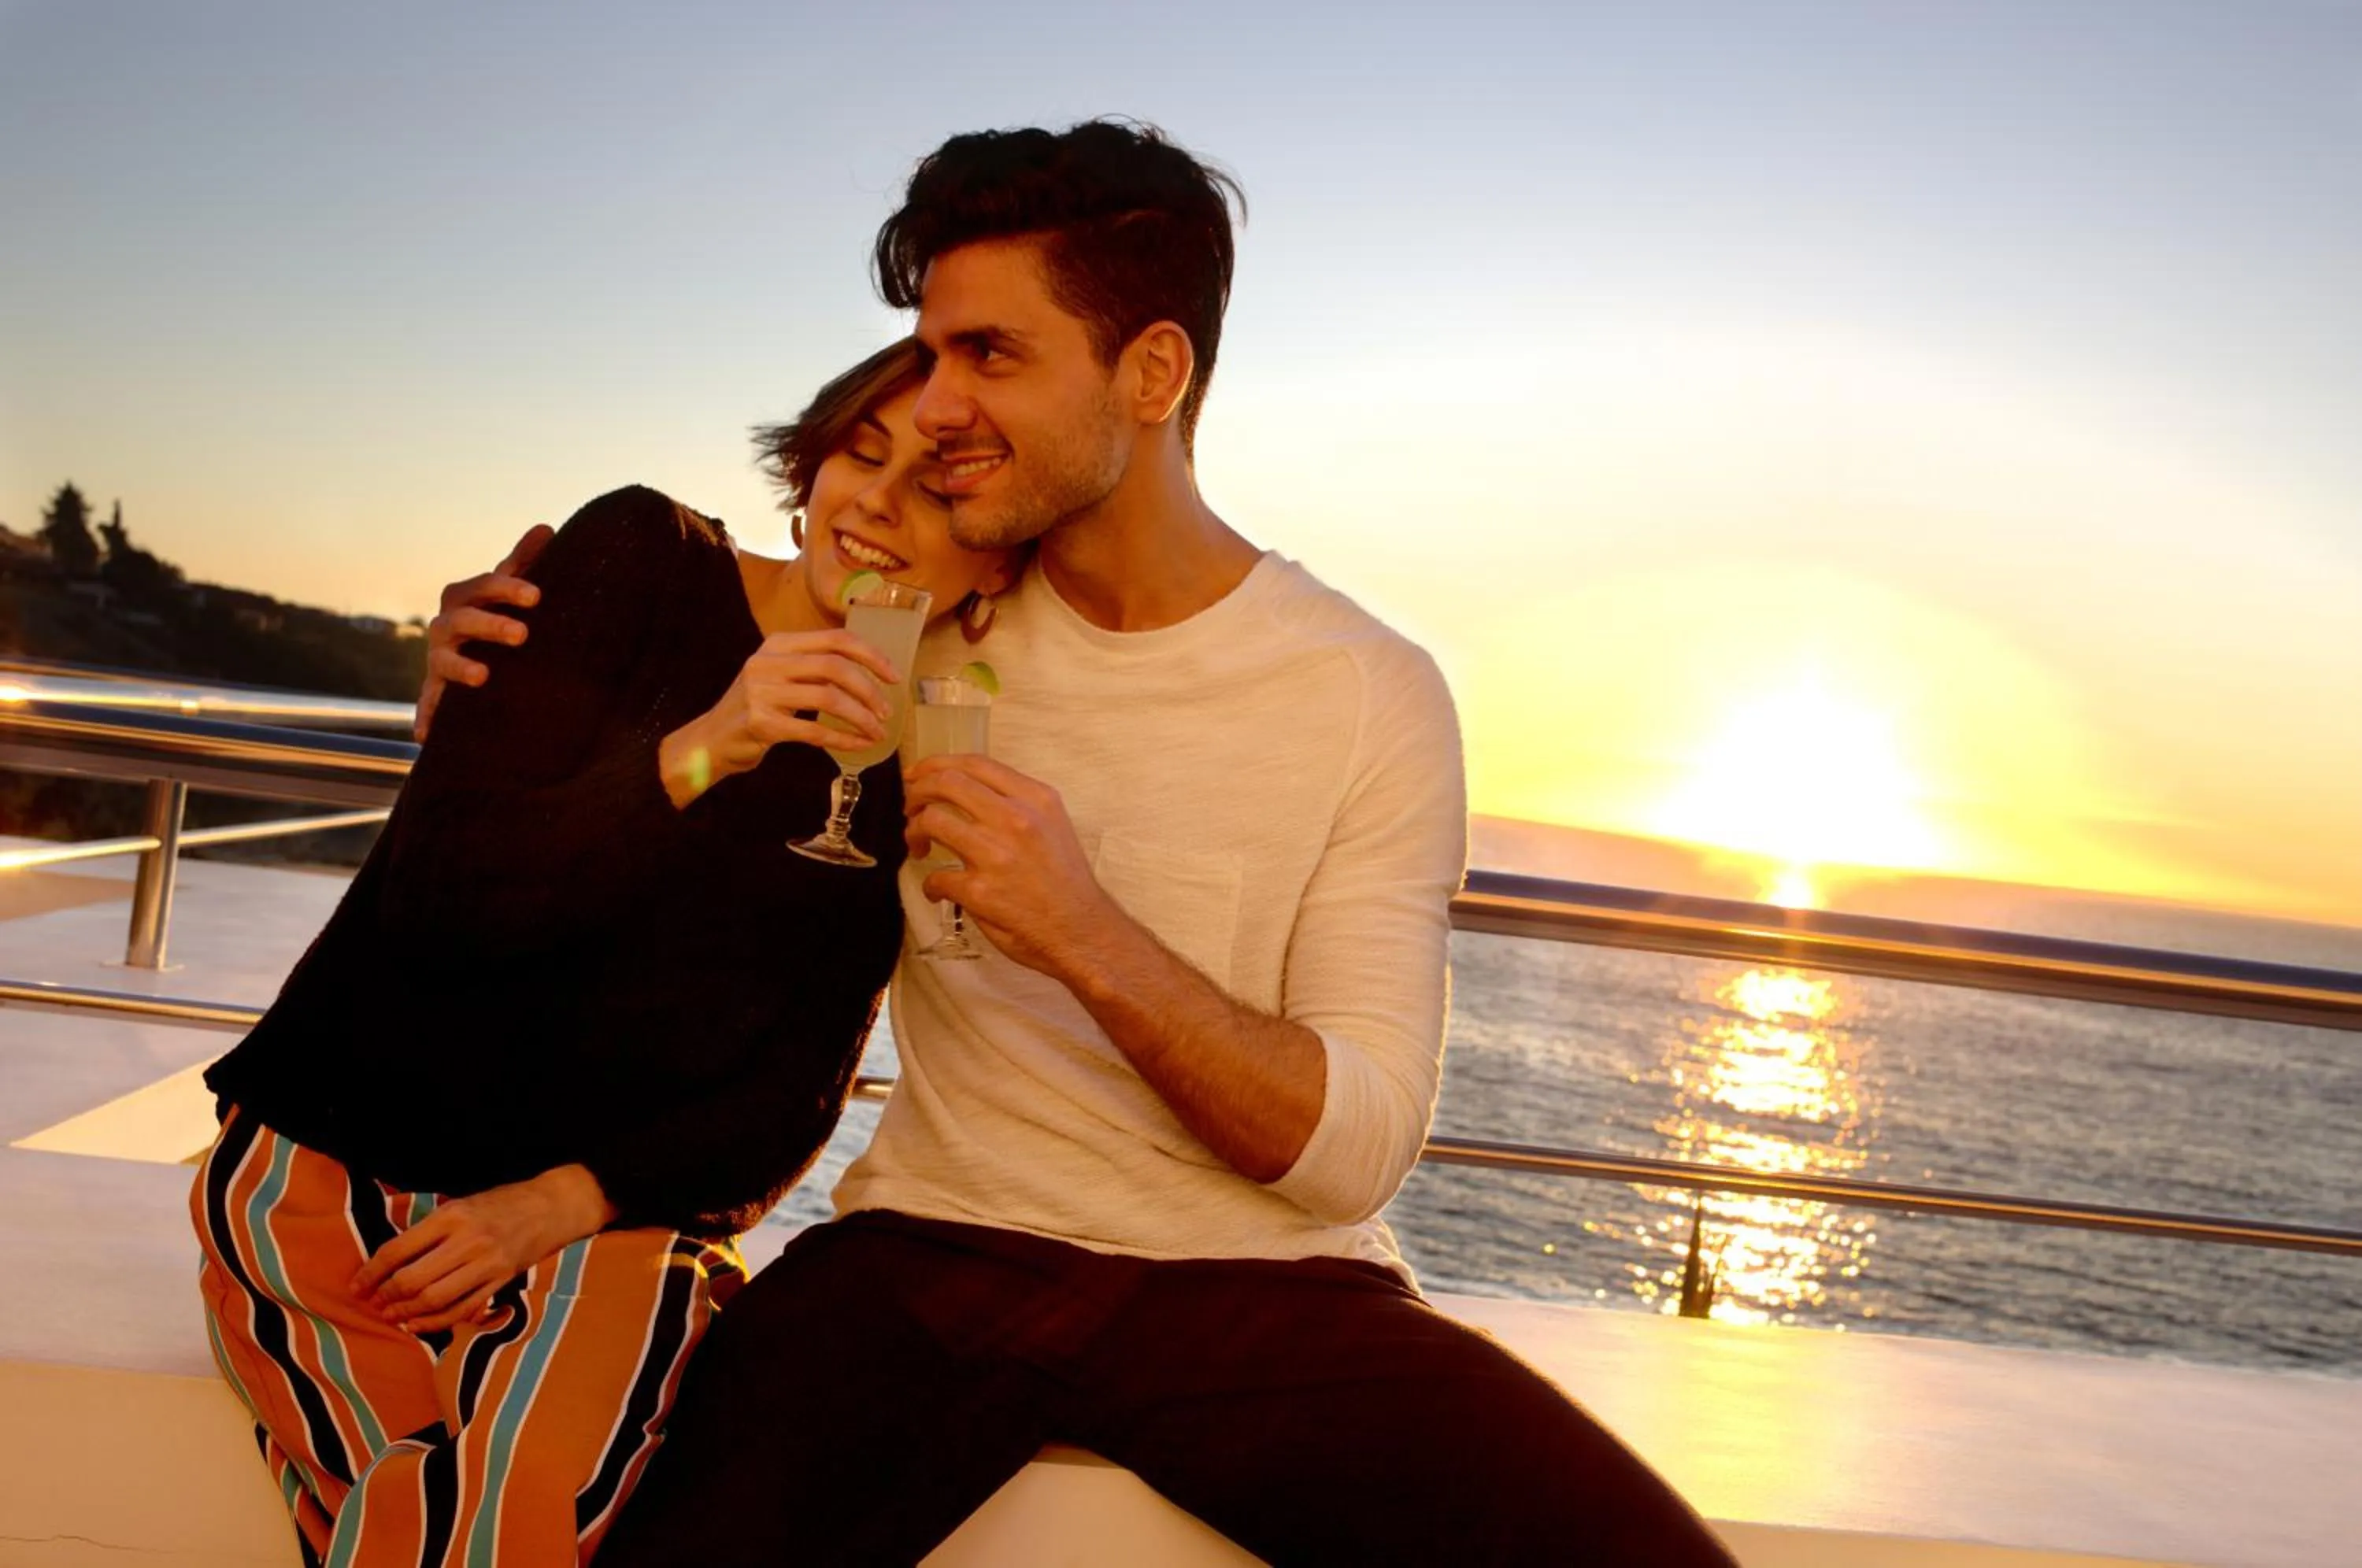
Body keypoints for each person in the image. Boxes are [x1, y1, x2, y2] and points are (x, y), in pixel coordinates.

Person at [438, 123, 1737, 1566]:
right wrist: (492, 667)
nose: (934, 408)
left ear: (1154, 374)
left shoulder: (1367, 690)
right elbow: (651, 712)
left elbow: (1353, 1146)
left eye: (991, 356)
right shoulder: (921, 619)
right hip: (927, 1254)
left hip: (1270, 1290)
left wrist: (1085, 933)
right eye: (927, 355)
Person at [191, 338, 1020, 1567]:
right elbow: (444, 893)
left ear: (996, 558)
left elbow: (788, 1097)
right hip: (330, 1175)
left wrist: (559, 1202)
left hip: (605, 1230)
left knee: (469, 1536)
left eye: (941, 492)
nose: (882, 505)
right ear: (811, 461)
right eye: (864, 450)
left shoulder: (904, 767)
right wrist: (710, 745)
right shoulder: (639, 557)